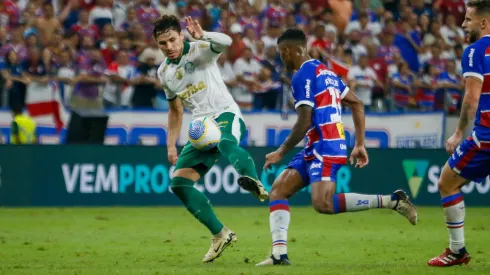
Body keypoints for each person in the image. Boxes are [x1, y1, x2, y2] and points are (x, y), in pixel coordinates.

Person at [255, 29, 418, 266]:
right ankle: (279, 254)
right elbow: (357, 103)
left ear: (288, 50)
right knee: (278, 190)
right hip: (317, 144)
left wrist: (280, 152)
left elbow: (304, 120)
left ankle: (392, 200)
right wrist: (359, 144)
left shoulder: (302, 75)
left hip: (326, 145)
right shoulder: (326, 72)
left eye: (282, 54)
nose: (282, 59)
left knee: (323, 204)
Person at [153, 15, 269, 263]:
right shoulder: (164, 72)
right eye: (163, 43)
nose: (169, 47)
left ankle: (254, 181)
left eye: (172, 40)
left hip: (225, 113)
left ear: (181, 36)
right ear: (158, 44)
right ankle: (220, 234)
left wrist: (203, 34)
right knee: (178, 184)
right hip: (201, 127)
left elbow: (226, 41)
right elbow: (175, 110)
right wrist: (171, 143)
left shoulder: (200, 49)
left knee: (226, 142)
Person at [428, 0, 490, 267]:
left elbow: (471, 97)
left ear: (483, 23)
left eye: (467, 19)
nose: (463, 25)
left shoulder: (476, 51)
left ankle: (457, 251)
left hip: (486, 136)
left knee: (447, 181)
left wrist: (457, 133)